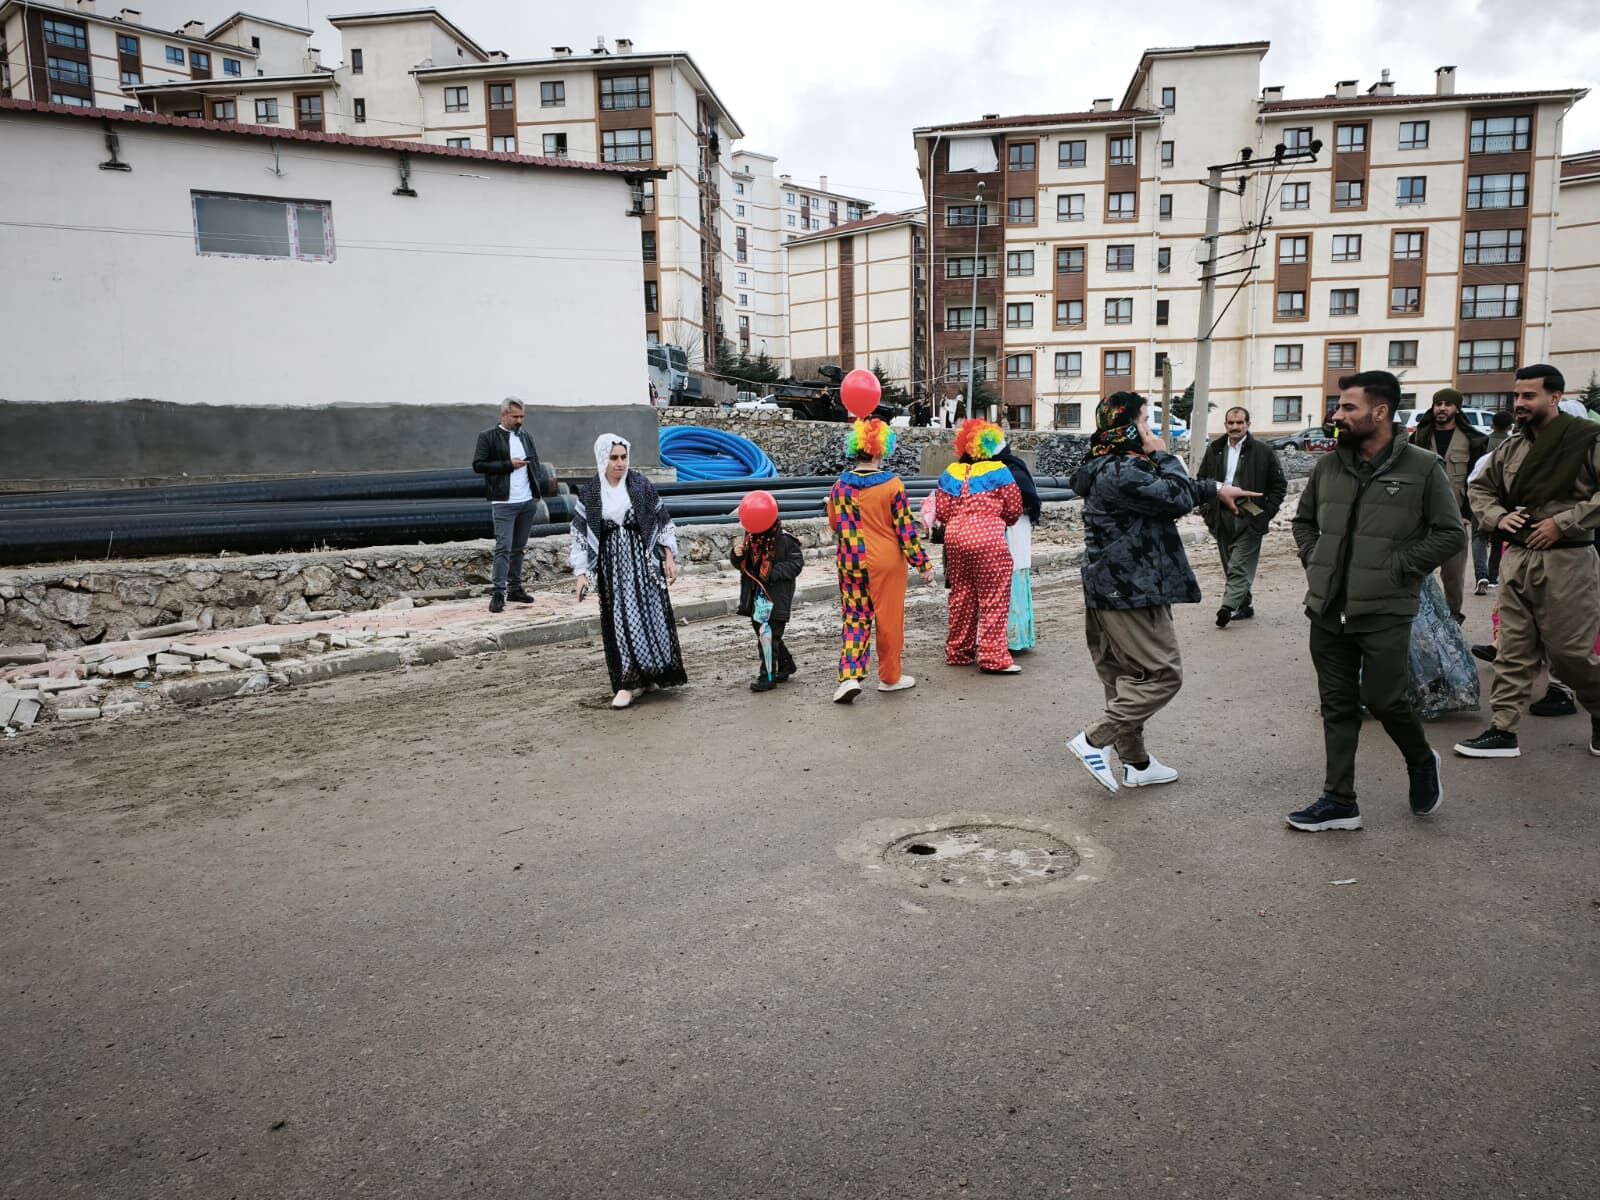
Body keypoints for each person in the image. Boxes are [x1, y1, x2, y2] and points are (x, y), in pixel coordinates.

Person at [1286, 371, 1465, 831]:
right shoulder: (1329, 465)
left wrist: (1399, 568)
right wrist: (1315, 557)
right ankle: (1339, 800)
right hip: (1326, 609)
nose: (1336, 416)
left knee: (1386, 700)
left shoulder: (1423, 467)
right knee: (1338, 705)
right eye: (1337, 407)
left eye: (1348, 408)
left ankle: (1422, 760)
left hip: (1385, 608)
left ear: (1380, 412)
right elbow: (1303, 521)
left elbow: (1449, 533)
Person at [1066, 392, 1260, 792]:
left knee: (1125, 677)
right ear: (1130, 426)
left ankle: (1136, 763)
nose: (1150, 431)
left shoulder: (1107, 465)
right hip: (1130, 588)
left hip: (1111, 587)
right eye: (1145, 422)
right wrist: (1166, 453)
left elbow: (1168, 492)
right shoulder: (1123, 470)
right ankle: (1092, 740)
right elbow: (1174, 495)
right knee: (1162, 674)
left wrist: (1215, 487)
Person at [1456, 364, 1600, 759]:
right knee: (1514, 649)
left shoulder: (1588, 440)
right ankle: (1503, 729)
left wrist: (1563, 523)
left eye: (1529, 396)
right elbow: (1480, 489)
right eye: (1516, 396)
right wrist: (1498, 517)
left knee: (1572, 654)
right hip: (1518, 557)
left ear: (1555, 397)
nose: (1519, 403)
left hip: (1568, 560)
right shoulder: (1510, 447)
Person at [570, 434, 687, 709]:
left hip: (644, 563)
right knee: (622, 618)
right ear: (603, 459)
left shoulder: (640, 484)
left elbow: (662, 520)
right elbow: (579, 535)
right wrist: (581, 573)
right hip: (614, 566)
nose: (620, 463)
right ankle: (628, 680)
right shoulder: (591, 492)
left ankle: (649, 674)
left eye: (623, 457)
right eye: (614, 458)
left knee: (649, 613)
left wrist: (669, 556)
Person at [826, 418, 935, 704]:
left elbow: (834, 523)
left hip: (850, 561)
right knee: (888, 620)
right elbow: (905, 529)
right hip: (886, 562)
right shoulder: (893, 485)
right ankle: (889, 677)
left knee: (855, 619)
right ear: (879, 451)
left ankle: (849, 676)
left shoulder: (839, 486)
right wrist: (922, 563)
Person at [935, 419, 1024, 673]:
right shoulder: (999, 471)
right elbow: (1014, 508)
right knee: (993, 597)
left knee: (961, 595)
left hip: (955, 540)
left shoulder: (950, 472)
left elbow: (942, 511)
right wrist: (1000, 521)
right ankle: (993, 657)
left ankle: (958, 651)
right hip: (988, 540)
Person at [1197, 406, 1288, 627]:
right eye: (1231, 423)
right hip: (1221, 516)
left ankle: (1227, 607)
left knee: (1239, 564)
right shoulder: (1215, 449)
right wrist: (1207, 511)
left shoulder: (1263, 451)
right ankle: (1244, 605)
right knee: (1230, 564)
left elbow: (1279, 485)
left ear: (1248, 424)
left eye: (1240, 423)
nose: (1235, 427)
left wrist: (1266, 514)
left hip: (1251, 516)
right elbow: (1202, 481)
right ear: (1225, 425)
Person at [1411, 388, 1488, 621]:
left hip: (1455, 519)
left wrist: (1467, 513)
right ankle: (1416, 618)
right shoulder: (1419, 438)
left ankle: (1454, 616)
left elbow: (1477, 481)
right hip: (1421, 518)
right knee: (1415, 569)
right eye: (1438, 404)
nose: (1442, 408)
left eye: (1447, 404)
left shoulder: (1472, 440)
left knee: (1453, 574)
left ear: (1457, 408)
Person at [471, 397, 544, 613]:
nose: (520, 420)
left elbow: (535, 462)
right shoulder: (488, 437)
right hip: (504, 502)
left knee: (518, 549)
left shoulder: (526, 436)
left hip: (527, 501)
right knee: (503, 548)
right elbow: (478, 465)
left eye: (522, 416)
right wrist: (508, 465)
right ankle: (497, 593)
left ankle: (515, 589)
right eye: (516, 416)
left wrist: (535, 492)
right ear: (504, 415)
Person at [731, 515, 804, 692]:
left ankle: (767, 677)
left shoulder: (785, 539)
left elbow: (796, 564)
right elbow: (743, 566)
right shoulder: (750, 539)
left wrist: (772, 572)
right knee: (767, 635)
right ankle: (786, 664)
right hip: (757, 596)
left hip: (778, 597)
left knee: (768, 636)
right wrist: (736, 554)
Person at [995, 436, 1043, 652]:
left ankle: (1007, 639)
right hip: (1012, 535)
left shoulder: (1006, 473)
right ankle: (1013, 639)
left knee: (1008, 585)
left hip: (1011, 535)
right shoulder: (1017, 469)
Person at [1472, 409, 1516, 592]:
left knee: (1478, 536)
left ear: (1492, 425)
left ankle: (1480, 575)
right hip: (1503, 499)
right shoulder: (1514, 445)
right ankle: (1492, 576)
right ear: (1510, 426)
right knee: (1498, 538)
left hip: (1481, 497)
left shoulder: (1481, 444)